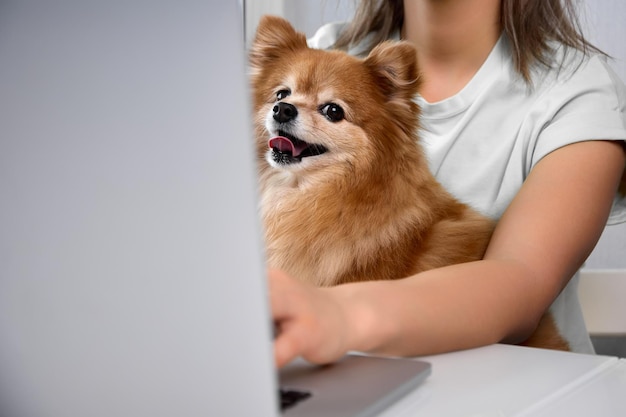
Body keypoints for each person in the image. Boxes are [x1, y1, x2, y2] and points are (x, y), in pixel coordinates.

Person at [269, 0, 626, 368]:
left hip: (524, 383)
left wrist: (339, 315)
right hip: (347, 376)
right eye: (282, 98)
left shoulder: (578, 91)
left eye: (331, 110)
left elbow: (519, 283)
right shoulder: (321, 50)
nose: (286, 106)